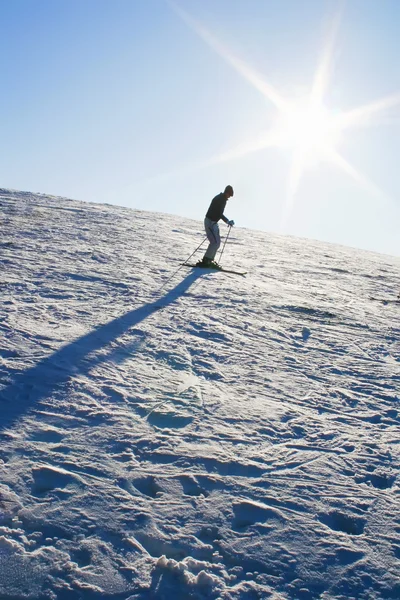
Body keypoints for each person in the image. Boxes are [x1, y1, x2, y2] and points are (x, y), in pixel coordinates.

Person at [196, 185, 235, 269]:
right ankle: (207, 261)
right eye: (229, 195)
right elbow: (219, 213)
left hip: (210, 221)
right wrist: (227, 221)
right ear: (227, 193)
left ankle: (207, 260)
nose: (229, 197)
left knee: (215, 242)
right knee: (215, 242)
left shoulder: (220, 198)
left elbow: (218, 213)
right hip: (211, 222)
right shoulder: (221, 199)